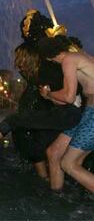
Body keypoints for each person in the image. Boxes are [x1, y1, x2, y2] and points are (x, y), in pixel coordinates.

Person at [0, 10, 82, 188]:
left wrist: (48, 95)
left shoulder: (61, 63)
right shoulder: (56, 62)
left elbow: (69, 97)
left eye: (23, 64)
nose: (20, 68)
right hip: (63, 110)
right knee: (49, 150)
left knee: (21, 126)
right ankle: (52, 189)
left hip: (66, 111)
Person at [39, 36, 94, 193]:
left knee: (69, 164)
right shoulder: (78, 57)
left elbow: (68, 97)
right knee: (54, 152)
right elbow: (64, 100)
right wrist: (50, 96)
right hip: (88, 112)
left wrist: (48, 94)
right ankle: (57, 201)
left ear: (48, 57)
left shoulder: (69, 60)